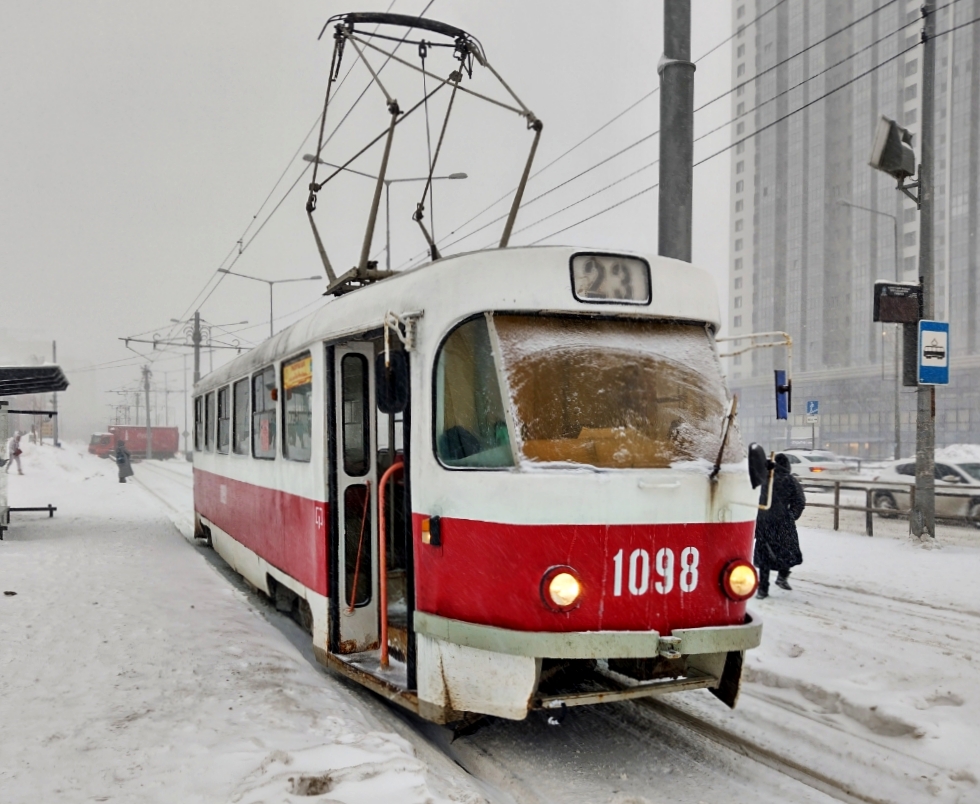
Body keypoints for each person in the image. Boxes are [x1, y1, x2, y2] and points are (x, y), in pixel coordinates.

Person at [754, 452, 805, 598]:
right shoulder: (790, 480)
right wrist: (791, 515)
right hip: (783, 523)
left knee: (765, 555)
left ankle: (763, 589)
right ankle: (782, 577)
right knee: (788, 551)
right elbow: (800, 501)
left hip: (764, 521)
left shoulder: (764, 478)